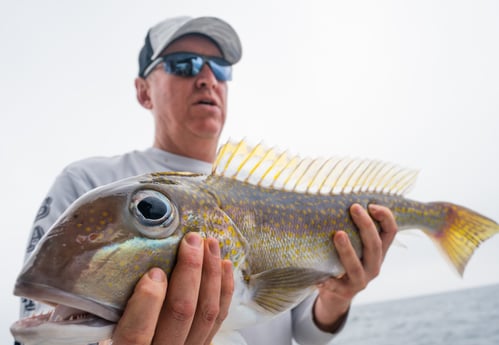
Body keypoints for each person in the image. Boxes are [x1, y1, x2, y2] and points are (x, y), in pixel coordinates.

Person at [18, 16, 398, 345]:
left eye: (219, 68)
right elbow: (41, 327)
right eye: (183, 64)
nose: (205, 78)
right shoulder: (88, 180)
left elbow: (306, 331)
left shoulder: (277, 195)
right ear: (143, 91)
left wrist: (337, 296)